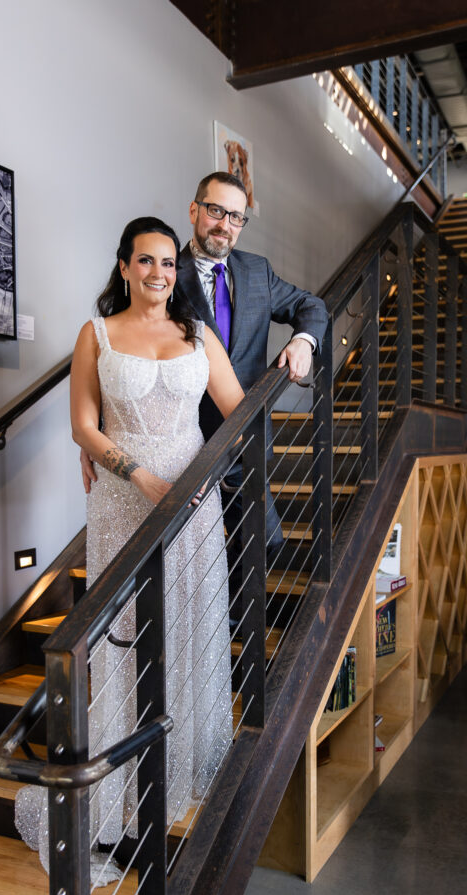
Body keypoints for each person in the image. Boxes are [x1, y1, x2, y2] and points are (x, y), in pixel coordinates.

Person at [15, 216, 245, 886]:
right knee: (123, 646)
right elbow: (83, 426)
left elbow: (236, 410)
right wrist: (135, 473)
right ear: (123, 267)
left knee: (190, 636)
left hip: (192, 506)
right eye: (145, 261)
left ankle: (177, 776)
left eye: (169, 263)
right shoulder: (97, 334)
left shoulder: (198, 335)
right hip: (122, 500)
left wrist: (298, 356)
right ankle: (117, 804)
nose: (158, 274)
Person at [82, 173, 328, 628]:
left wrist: (304, 342)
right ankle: (192, 635)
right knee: (178, 560)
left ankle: (218, 631)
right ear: (194, 211)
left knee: (262, 541)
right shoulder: (164, 271)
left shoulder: (257, 272)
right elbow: (125, 358)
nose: (225, 225)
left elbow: (311, 306)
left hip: (241, 439)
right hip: (182, 446)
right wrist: (94, 434)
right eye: (215, 211)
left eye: (236, 216)